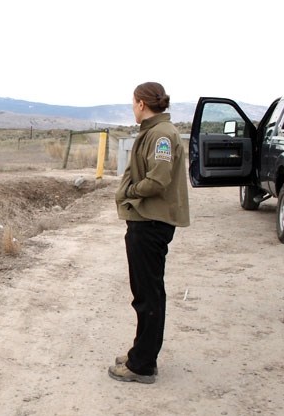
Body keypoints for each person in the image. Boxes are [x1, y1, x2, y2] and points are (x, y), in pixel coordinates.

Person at [109, 82, 190, 384]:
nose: (132, 107)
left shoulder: (161, 135)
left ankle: (142, 365)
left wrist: (130, 191)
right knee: (146, 292)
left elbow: (159, 179)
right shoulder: (156, 131)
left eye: (133, 102)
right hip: (146, 221)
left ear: (142, 103)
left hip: (151, 222)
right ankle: (140, 354)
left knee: (148, 295)